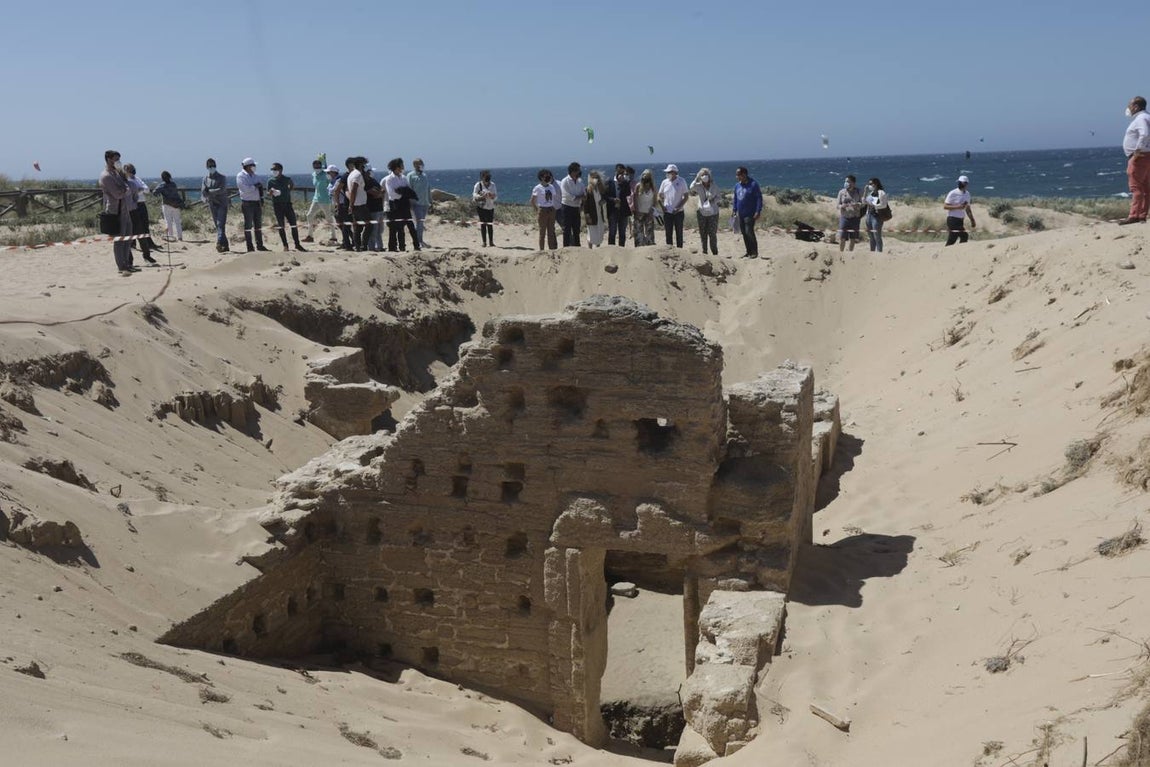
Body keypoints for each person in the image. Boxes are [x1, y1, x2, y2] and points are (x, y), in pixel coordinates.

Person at [98, 150, 137, 275]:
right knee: (119, 240)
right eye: (115, 159)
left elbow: (128, 184)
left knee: (128, 238)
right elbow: (118, 193)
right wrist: (126, 189)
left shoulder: (117, 173)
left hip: (125, 209)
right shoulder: (106, 176)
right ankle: (121, 266)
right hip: (115, 211)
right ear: (109, 159)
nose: (118, 161)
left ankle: (127, 263)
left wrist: (125, 183)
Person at [1120, 96, 1150, 225]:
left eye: (1130, 105)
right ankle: (1142, 214)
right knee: (1145, 187)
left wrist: (1137, 151)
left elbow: (1144, 134)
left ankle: (1134, 215)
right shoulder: (1147, 117)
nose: (1129, 108)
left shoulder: (1141, 119)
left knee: (1136, 187)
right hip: (1146, 155)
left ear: (1136, 106)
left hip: (1139, 156)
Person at [123, 163, 160, 264]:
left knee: (142, 229)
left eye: (132, 168)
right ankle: (129, 258)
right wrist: (139, 190)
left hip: (140, 204)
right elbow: (131, 193)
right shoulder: (125, 180)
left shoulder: (137, 178)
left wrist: (139, 190)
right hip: (131, 207)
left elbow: (146, 189)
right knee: (129, 233)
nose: (131, 170)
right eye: (129, 169)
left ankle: (147, 255)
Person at [267, 162, 306, 252]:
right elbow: (268, 193)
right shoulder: (270, 181)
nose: (274, 171)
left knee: (293, 224)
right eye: (272, 169)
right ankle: (285, 245)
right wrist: (272, 192)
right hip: (277, 205)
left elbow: (292, 185)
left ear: (281, 170)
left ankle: (297, 244)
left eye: (275, 169)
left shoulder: (287, 179)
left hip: (287, 204)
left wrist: (287, 191)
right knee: (281, 226)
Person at [385, 158, 420, 252]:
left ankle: (416, 246)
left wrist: (404, 193)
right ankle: (400, 247)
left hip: (405, 203)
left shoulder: (403, 178)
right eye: (401, 165)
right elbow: (392, 194)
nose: (403, 167)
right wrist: (403, 193)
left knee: (410, 225)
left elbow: (408, 190)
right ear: (397, 167)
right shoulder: (389, 179)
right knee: (398, 227)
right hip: (395, 204)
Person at [236, 157, 269, 252]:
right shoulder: (240, 176)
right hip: (247, 203)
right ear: (248, 166)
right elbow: (245, 189)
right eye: (253, 165)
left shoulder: (255, 175)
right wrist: (254, 186)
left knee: (258, 225)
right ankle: (250, 247)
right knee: (248, 225)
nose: (254, 167)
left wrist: (261, 198)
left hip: (256, 202)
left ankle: (260, 245)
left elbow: (260, 187)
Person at [201, 158, 230, 252]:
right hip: (212, 204)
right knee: (218, 226)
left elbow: (222, 189)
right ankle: (225, 246)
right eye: (210, 166)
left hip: (222, 203)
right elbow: (203, 192)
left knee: (220, 224)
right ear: (206, 167)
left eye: (213, 165)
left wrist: (209, 191)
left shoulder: (222, 177)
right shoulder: (205, 179)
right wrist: (207, 195)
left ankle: (219, 242)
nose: (212, 167)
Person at [690, 167, 721, 255]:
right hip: (702, 212)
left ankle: (715, 252)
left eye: (706, 175)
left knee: (712, 234)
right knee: (703, 233)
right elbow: (691, 187)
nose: (704, 176)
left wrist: (713, 201)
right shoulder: (699, 186)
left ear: (709, 176)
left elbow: (719, 197)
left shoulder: (714, 186)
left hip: (713, 213)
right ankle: (705, 252)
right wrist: (696, 177)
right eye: (702, 175)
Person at [304, 157, 336, 244]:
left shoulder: (325, 174)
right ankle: (310, 235)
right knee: (309, 215)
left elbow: (331, 181)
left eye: (318, 166)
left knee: (329, 218)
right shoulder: (313, 174)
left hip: (325, 199)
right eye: (315, 167)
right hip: (316, 199)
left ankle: (334, 236)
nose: (317, 168)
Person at [733, 167, 762, 258]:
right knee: (744, 233)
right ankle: (748, 252)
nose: (737, 177)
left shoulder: (753, 184)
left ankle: (754, 252)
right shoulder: (737, 186)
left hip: (750, 213)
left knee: (749, 231)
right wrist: (734, 210)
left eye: (738, 175)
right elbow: (735, 199)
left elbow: (759, 198)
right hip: (740, 214)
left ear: (744, 174)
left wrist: (758, 211)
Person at [657, 164, 689, 248]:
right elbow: (659, 195)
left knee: (679, 233)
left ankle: (680, 251)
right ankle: (669, 250)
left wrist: (678, 207)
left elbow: (686, 196)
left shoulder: (682, 181)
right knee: (668, 233)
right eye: (667, 172)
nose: (668, 174)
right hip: (667, 212)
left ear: (674, 172)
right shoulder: (664, 182)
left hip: (678, 212)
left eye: (669, 172)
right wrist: (662, 206)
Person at [529, 168, 560, 251]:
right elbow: (532, 200)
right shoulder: (537, 188)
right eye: (546, 176)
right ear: (542, 177)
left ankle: (552, 250)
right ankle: (541, 251)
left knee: (551, 232)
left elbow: (552, 198)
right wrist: (537, 210)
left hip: (551, 209)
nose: (548, 177)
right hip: (542, 210)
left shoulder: (551, 187)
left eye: (549, 176)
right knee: (542, 232)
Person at [943, 175, 976, 245]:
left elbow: (968, 209)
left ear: (966, 184)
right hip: (952, 219)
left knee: (955, 238)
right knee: (963, 236)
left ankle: (952, 252)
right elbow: (945, 206)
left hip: (960, 220)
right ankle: (949, 252)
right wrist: (957, 207)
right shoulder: (953, 193)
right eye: (959, 182)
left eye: (962, 183)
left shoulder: (967, 194)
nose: (960, 184)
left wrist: (972, 220)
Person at [346, 156, 369, 251]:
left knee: (358, 227)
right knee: (369, 224)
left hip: (356, 204)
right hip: (359, 204)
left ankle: (358, 246)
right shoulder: (358, 174)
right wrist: (351, 204)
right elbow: (354, 189)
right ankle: (363, 245)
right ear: (360, 164)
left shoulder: (352, 174)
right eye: (364, 164)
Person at [406, 157, 431, 247]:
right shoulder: (411, 175)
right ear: (414, 165)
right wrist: (410, 202)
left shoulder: (424, 175)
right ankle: (418, 241)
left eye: (420, 163)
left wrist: (430, 201)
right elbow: (409, 189)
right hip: (416, 203)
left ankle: (420, 240)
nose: (419, 165)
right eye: (417, 164)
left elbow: (427, 188)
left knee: (421, 223)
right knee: (419, 223)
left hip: (425, 203)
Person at [559, 162, 585, 247]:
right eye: (578, 170)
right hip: (567, 207)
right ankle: (566, 247)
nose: (579, 172)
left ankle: (577, 246)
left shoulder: (580, 181)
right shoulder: (565, 181)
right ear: (573, 171)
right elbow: (566, 195)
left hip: (576, 208)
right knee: (567, 229)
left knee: (576, 229)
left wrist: (581, 199)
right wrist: (578, 197)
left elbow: (583, 193)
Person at [329, 162, 353, 250]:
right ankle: (348, 241)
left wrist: (338, 204)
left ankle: (348, 242)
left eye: (329, 172)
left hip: (341, 204)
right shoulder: (332, 181)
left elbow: (334, 191)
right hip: (336, 203)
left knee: (343, 225)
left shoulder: (339, 180)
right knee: (341, 225)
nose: (328, 174)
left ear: (334, 172)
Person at [153, 171, 184, 242]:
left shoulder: (162, 185)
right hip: (176, 204)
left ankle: (171, 237)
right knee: (177, 221)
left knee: (168, 221)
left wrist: (160, 193)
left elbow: (154, 192)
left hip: (167, 205)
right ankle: (180, 237)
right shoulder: (173, 184)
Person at [605, 163, 631, 246]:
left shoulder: (625, 182)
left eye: (623, 173)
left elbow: (628, 193)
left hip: (623, 210)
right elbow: (605, 196)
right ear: (616, 171)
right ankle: (611, 250)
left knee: (622, 232)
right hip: (612, 210)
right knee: (612, 232)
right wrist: (613, 200)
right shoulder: (609, 181)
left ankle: (621, 249)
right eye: (619, 172)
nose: (621, 174)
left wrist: (622, 183)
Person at [631, 169, 658, 246]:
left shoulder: (653, 188)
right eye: (644, 176)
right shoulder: (638, 186)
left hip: (649, 212)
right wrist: (636, 211)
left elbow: (655, 201)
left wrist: (652, 210)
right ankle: (639, 248)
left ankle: (650, 246)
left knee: (649, 232)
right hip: (639, 212)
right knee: (639, 233)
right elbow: (634, 199)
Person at [836, 174, 862, 252]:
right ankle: (841, 253)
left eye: (848, 181)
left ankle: (850, 254)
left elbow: (863, 203)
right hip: (844, 217)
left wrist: (858, 204)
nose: (846, 183)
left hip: (855, 217)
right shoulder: (841, 192)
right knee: (842, 237)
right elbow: (837, 205)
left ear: (853, 183)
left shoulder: (859, 191)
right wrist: (842, 206)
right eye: (845, 181)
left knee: (853, 238)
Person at [863, 177, 889, 252]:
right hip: (869, 216)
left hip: (877, 217)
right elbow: (864, 202)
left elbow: (883, 205)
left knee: (877, 236)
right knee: (871, 237)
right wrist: (865, 191)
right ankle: (872, 253)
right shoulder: (871, 193)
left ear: (876, 184)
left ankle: (879, 254)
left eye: (871, 184)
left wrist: (874, 206)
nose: (869, 185)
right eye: (869, 184)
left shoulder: (881, 192)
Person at [473, 170, 497, 247]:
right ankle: (484, 242)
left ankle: (491, 241)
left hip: (490, 206)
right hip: (481, 206)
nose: (487, 181)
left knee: (490, 224)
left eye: (488, 178)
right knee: (483, 224)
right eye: (485, 178)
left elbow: (495, 196)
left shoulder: (493, 185)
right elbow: (474, 195)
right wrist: (482, 196)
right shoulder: (478, 185)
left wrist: (491, 195)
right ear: (482, 178)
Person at [583, 170, 608, 247]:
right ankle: (590, 249)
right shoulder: (588, 190)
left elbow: (604, 198)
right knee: (591, 232)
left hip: (599, 213)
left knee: (599, 231)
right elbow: (585, 205)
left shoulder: (600, 189)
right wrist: (587, 216)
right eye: (593, 177)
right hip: (591, 214)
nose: (595, 179)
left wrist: (603, 201)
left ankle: (598, 248)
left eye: (596, 177)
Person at [364, 164, 385, 252]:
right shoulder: (366, 182)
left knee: (379, 230)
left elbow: (382, 190)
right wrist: (379, 193)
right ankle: (372, 247)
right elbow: (375, 193)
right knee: (373, 230)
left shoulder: (373, 180)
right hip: (372, 208)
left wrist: (380, 193)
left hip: (379, 208)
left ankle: (379, 246)